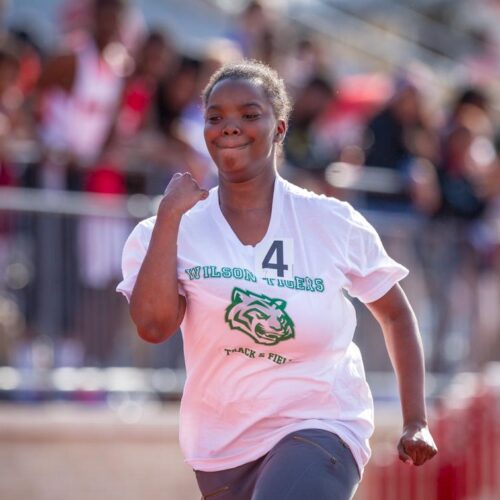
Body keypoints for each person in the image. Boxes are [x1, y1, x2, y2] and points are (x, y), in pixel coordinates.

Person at [117, 60, 437, 499]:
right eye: (216, 117)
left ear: (280, 128)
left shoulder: (329, 221)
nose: (230, 126)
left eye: (249, 114)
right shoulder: (171, 229)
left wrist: (415, 419)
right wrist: (171, 217)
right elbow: (153, 327)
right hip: (222, 450)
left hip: (321, 425)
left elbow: (397, 315)